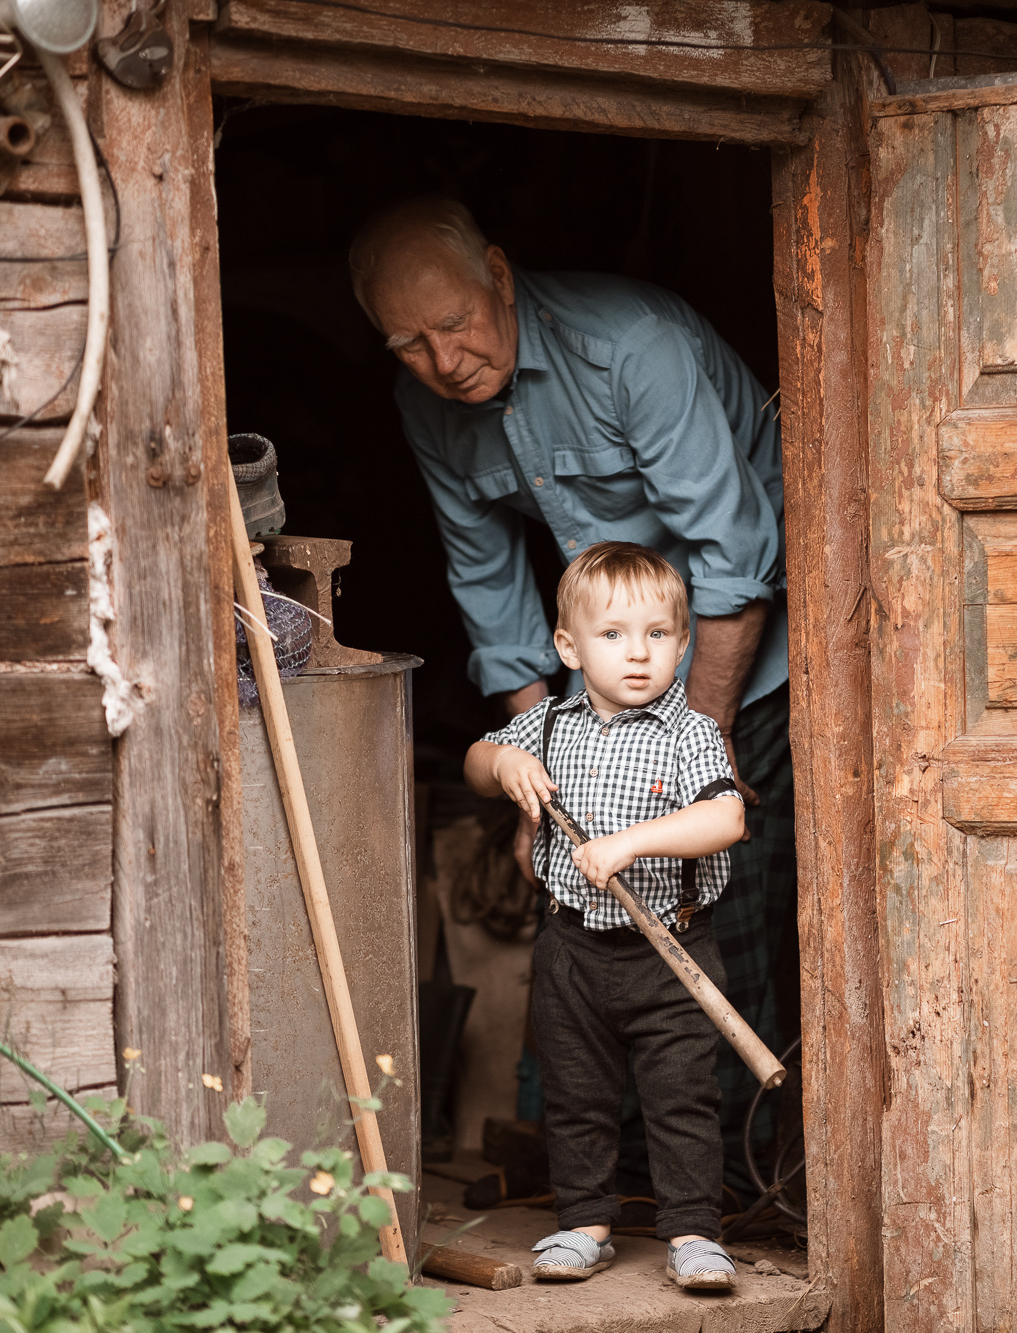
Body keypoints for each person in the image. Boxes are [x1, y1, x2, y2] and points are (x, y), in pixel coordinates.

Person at [349, 198, 796, 1193]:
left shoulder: (632, 347)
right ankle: (616, 1174)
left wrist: (695, 749)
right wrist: (538, 776)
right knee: (587, 913)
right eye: (409, 343)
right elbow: (490, 591)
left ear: (499, 276)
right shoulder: (423, 401)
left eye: (456, 322)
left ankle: (732, 1178)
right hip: (600, 682)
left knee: (718, 907)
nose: (443, 359)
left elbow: (731, 560)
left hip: (738, 652)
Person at [464, 543, 747, 1288]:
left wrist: (633, 842)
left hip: (671, 949)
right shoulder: (550, 726)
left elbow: (725, 817)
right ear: (569, 646)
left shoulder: (690, 731)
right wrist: (502, 765)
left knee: (681, 1095)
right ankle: (585, 1222)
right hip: (572, 948)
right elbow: (474, 762)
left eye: (658, 635)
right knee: (577, 1091)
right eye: (613, 635)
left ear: (684, 647)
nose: (637, 655)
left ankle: (692, 1232)